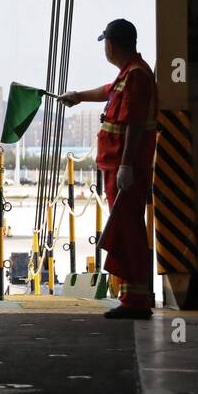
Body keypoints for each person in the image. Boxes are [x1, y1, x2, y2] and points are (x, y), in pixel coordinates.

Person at [58, 19, 158, 319]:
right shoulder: (128, 74)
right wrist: (77, 96)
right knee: (125, 229)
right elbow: (107, 91)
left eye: (105, 43)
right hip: (116, 165)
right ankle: (132, 298)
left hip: (125, 167)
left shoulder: (137, 76)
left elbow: (134, 124)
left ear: (112, 45)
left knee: (128, 230)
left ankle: (136, 302)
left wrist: (126, 164)